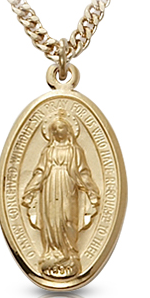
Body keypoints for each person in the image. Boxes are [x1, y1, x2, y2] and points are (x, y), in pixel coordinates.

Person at [22, 112, 100, 279]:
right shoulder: (47, 151)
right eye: (55, 129)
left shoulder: (76, 151)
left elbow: (83, 172)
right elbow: (40, 172)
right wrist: (30, 190)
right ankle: (52, 254)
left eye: (61, 128)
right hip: (50, 188)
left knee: (68, 220)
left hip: (68, 187)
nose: (58, 132)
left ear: (68, 130)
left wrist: (92, 191)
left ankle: (70, 254)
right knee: (52, 221)